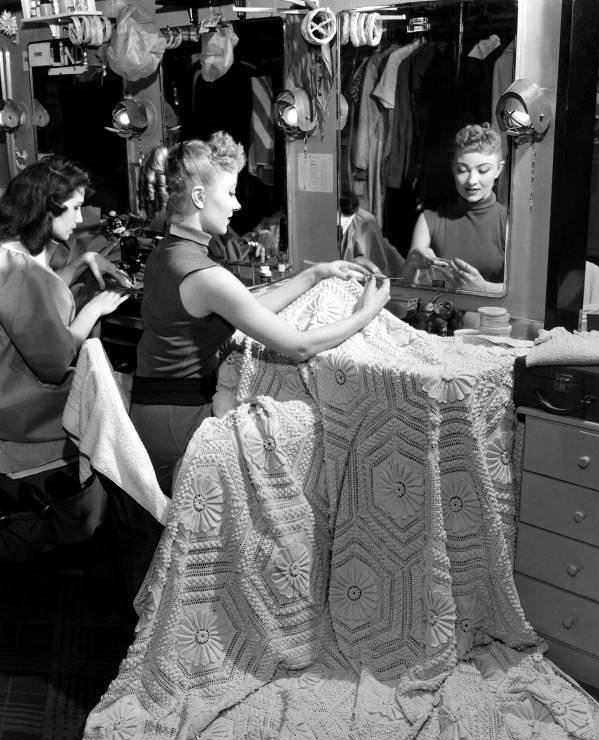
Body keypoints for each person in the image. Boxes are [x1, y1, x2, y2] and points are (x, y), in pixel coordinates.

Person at [130, 133, 391, 496]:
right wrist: (366, 313)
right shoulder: (205, 275)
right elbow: (298, 347)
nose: (236, 205)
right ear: (200, 197)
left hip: (152, 410)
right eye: (230, 193)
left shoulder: (167, 253)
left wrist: (314, 274)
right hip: (177, 420)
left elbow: (246, 308)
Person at [0, 154, 129, 472]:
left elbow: (38, 301)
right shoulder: (20, 271)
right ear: (46, 209)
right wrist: (96, 309)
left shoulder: (9, 253)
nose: (79, 218)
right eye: (73, 208)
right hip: (23, 419)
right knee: (119, 400)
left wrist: (83, 261)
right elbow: (55, 362)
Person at [401, 123, 507, 294]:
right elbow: (406, 290)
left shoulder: (509, 223)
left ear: (498, 170)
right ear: (452, 168)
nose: (472, 180)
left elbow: (524, 295)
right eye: (462, 170)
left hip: (491, 319)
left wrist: (483, 288)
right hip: (437, 318)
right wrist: (413, 262)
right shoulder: (429, 220)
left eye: (483, 170)